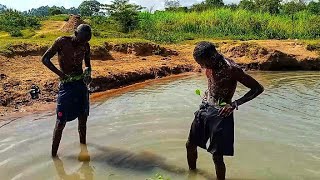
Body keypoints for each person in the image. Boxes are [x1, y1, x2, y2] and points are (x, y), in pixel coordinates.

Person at [186, 41, 264, 180]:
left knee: (217, 156)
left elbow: (258, 88)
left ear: (212, 57)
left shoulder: (231, 69)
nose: (201, 66)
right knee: (190, 144)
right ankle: (191, 175)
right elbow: (213, 84)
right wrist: (207, 94)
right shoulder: (210, 64)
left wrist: (234, 104)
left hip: (222, 112)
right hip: (205, 107)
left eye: (202, 63)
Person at [42, 24, 92, 157]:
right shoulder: (62, 42)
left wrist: (88, 73)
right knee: (60, 123)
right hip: (66, 86)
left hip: (80, 85)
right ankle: (54, 156)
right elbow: (45, 59)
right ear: (75, 33)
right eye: (82, 40)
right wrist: (60, 74)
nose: (83, 43)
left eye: (86, 41)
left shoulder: (86, 46)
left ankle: (84, 151)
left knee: (83, 119)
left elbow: (87, 64)